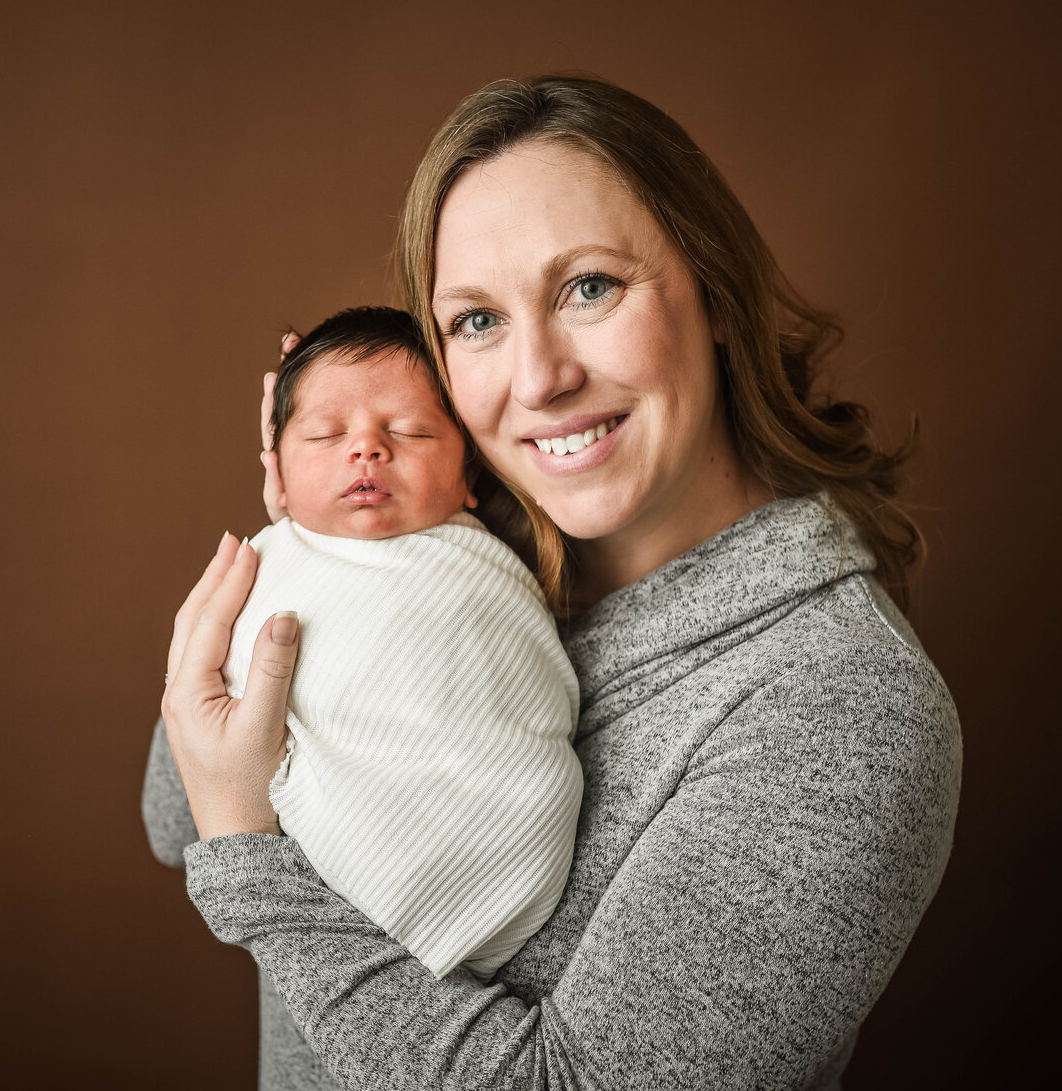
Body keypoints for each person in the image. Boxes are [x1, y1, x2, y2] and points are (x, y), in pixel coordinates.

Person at [146, 75, 962, 1090]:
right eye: (477, 319)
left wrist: (254, 870)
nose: (537, 378)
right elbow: (175, 813)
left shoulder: (837, 705)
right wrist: (313, 555)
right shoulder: (458, 545)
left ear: (714, 292)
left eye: (589, 288)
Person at [160, 304, 582, 981]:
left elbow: (514, 704)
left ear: (472, 475)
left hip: (493, 871)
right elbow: (172, 820)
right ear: (276, 468)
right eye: (325, 435)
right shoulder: (267, 570)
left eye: (411, 432)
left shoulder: (489, 574)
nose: (365, 449)